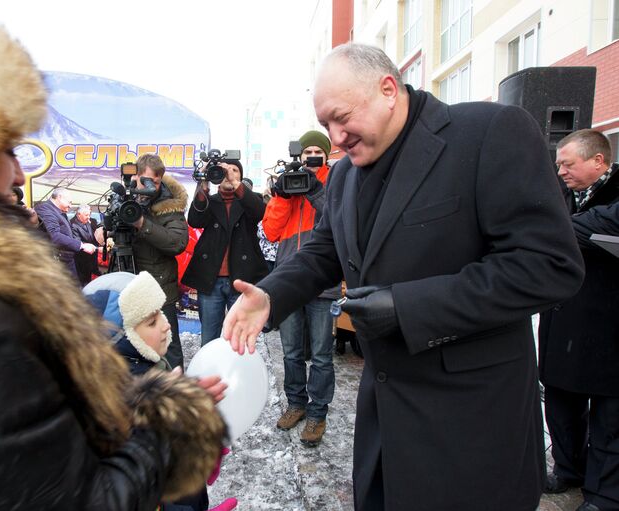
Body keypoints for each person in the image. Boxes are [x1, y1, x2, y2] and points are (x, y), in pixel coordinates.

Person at [0, 16, 226, 510]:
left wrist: (130, 404)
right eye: (0, 147)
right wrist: (171, 424)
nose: (16, 171)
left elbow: (31, 451)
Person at [223, 43, 584, 510]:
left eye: (341, 117)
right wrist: (270, 296)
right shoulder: (346, 176)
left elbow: (549, 264)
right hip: (384, 430)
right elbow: (325, 251)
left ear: (388, 90)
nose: (334, 138)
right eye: (326, 124)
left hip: (472, 431)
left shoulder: (489, 133)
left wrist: (406, 308)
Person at [83, 271, 238, 511]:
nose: (166, 325)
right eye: (151, 322)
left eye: (162, 313)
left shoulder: (149, 372)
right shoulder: (118, 404)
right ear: (122, 337)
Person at [538, 129, 619, 511]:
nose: (561, 171)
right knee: (561, 404)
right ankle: (569, 468)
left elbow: (596, 226)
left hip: (608, 327)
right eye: (558, 164)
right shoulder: (562, 196)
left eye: (567, 164)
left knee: (610, 418)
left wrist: (558, 230)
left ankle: (603, 494)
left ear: (598, 162)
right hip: (562, 320)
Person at [262, 130, 340, 447]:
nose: (309, 158)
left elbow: (339, 219)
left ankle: (317, 413)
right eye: (305, 152)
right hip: (290, 281)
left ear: (325, 155)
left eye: (315, 152)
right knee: (291, 352)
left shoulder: (336, 182)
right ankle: (296, 404)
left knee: (321, 356)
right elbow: (270, 230)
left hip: (323, 282)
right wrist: (282, 195)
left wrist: (315, 190)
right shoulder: (288, 184)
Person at [182, 157, 268, 345]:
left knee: (240, 338)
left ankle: (238, 373)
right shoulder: (210, 201)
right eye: (225, 171)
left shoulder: (250, 200)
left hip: (242, 279)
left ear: (241, 176)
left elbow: (260, 213)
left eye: (234, 170)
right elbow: (195, 220)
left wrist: (236, 184)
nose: (229, 174)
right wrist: (203, 183)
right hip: (211, 280)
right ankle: (209, 373)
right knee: (210, 337)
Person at [127, 153, 189, 369]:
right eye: (144, 180)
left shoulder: (170, 205)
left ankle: (177, 395)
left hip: (160, 288)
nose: (149, 187)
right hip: (129, 283)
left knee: (168, 347)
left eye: (154, 182)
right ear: (135, 176)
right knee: (131, 346)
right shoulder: (127, 197)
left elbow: (177, 242)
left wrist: (142, 223)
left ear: (161, 180)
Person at [35, 187, 96, 276]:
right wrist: (82, 246)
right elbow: (54, 235)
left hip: (65, 260)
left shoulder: (58, 211)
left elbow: (67, 234)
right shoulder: (45, 209)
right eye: (69, 202)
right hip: (58, 262)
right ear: (59, 197)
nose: (70, 206)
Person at [70, 204, 101, 286]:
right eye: (86, 215)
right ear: (78, 214)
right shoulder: (73, 225)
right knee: (83, 282)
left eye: (89, 214)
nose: (88, 217)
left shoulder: (88, 221)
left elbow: (92, 237)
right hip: (81, 260)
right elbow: (78, 242)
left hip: (91, 259)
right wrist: (97, 249)